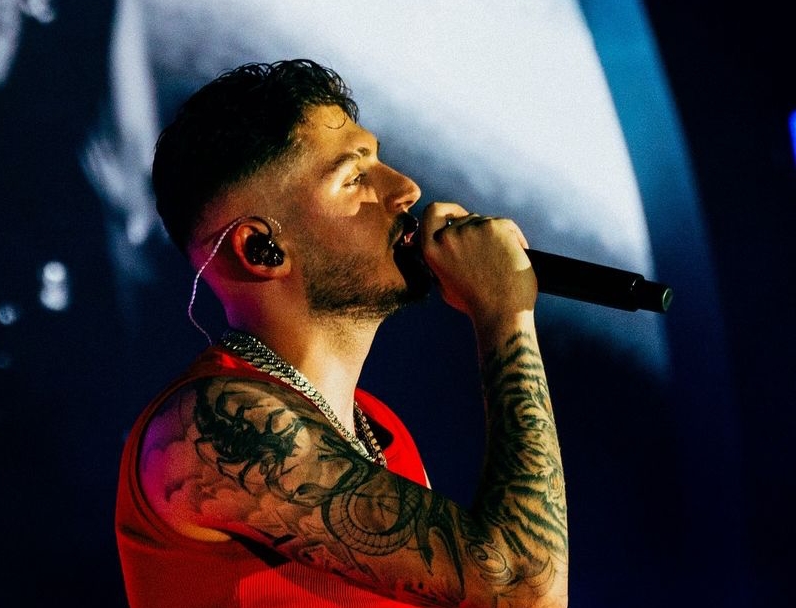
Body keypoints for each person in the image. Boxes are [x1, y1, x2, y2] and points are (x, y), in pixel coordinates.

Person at [115, 59, 568, 608]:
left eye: (377, 160)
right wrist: (505, 316)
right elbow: (524, 589)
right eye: (354, 178)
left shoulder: (381, 427)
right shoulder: (209, 426)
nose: (406, 190)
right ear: (261, 249)